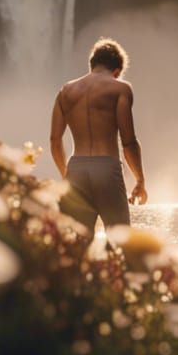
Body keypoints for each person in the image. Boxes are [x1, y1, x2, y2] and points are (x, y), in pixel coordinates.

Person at [50, 37, 147, 234]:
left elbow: (54, 140)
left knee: (75, 243)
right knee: (119, 241)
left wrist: (66, 175)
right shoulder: (120, 88)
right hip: (106, 168)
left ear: (92, 65)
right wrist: (140, 180)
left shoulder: (65, 92)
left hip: (76, 167)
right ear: (117, 71)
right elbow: (128, 141)